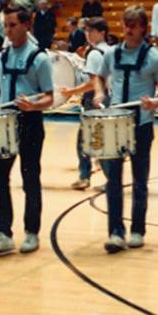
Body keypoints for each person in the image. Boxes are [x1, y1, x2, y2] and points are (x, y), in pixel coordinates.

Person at [0, 5, 55, 257]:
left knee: (30, 179)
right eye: (5, 25)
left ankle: (31, 232)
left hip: (30, 123)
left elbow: (50, 97)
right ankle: (3, 233)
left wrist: (34, 105)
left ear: (26, 25)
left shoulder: (39, 58)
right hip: (4, 123)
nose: (8, 30)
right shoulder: (0, 57)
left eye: (12, 25)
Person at [92, 5, 158, 253]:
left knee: (140, 179)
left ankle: (137, 230)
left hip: (142, 122)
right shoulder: (111, 54)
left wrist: (155, 102)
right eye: (126, 25)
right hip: (116, 121)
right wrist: (99, 91)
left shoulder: (155, 58)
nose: (128, 30)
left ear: (143, 28)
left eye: (133, 26)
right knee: (113, 178)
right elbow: (99, 77)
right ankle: (115, 232)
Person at [58, 17, 112, 189]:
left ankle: (86, 177)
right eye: (87, 31)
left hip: (94, 100)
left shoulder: (95, 53)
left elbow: (92, 82)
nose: (88, 34)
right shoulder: (110, 50)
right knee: (101, 140)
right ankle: (105, 178)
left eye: (92, 31)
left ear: (102, 33)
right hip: (108, 98)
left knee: (87, 140)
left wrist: (71, 92)